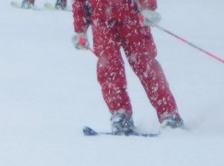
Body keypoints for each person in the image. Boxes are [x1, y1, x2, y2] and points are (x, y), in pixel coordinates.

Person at [72, 0, 184, 134]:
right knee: (108, 69)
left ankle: (168, 113)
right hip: (101, 20)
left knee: (145, 64)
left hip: (131, 15)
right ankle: (121, 114)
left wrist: (148, 7)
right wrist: (80, 30)